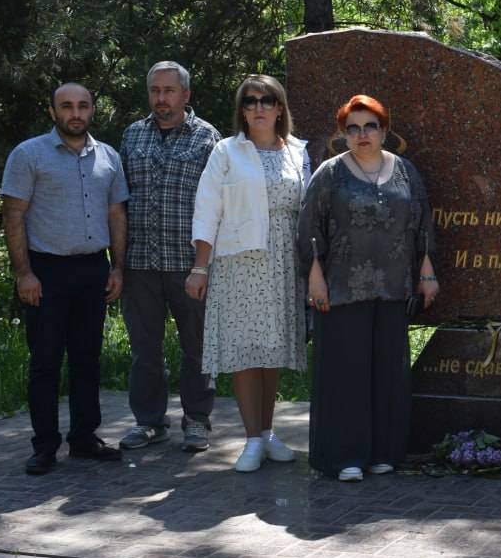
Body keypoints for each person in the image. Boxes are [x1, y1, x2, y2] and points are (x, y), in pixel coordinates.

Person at [298, 95, 437, 483]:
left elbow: (422, 221)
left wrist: (426, 272)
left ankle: (383, 452)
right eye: (353, 128)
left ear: (385, 131)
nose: (362, 135)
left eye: (370, 126)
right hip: (341, 290)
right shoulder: (329, 173)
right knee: (345, 374)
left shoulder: (406, 171)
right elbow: (309, 229)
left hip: (393, 288)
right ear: (343, 134)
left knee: (387, 375)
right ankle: (344, 457)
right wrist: (314, 277)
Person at [1, 83, 129, 474]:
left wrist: (117, 267)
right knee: (45, 362)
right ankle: (44, 445)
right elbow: (13, 216)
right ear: (53, 110)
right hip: (46, 272)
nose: (75, 113)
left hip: (93, 270)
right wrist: (24, 273)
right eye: (67, 106)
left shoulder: (108, 157)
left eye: (83, 106)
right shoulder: (29, 154)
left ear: (93, 110)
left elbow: (116, 216)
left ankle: (84, 438)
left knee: (88, 359)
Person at [187, 76, 310, 472]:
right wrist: (199, 267)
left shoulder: (297, 151)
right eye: (250, 101)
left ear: (280, 108)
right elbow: (207, 210)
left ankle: (269, 432)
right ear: (242, 110)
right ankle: (252, 439)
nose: (259, 107)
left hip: (283, 263)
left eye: (267, 100)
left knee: (270, 349)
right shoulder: (226, 151)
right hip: (239, 261)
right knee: (244, 351)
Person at [118, 61, 221, 453]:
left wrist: (204, 264)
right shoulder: (132, 136)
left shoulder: (207, 138)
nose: (162, 98)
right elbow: (120, 199)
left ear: (185, 95)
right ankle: (148, 421)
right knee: (145, 348)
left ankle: (197, 419)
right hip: (140, 261)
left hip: (188, 263)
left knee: (197, 346)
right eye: (155, 90)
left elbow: (217, 205)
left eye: (169, 90)